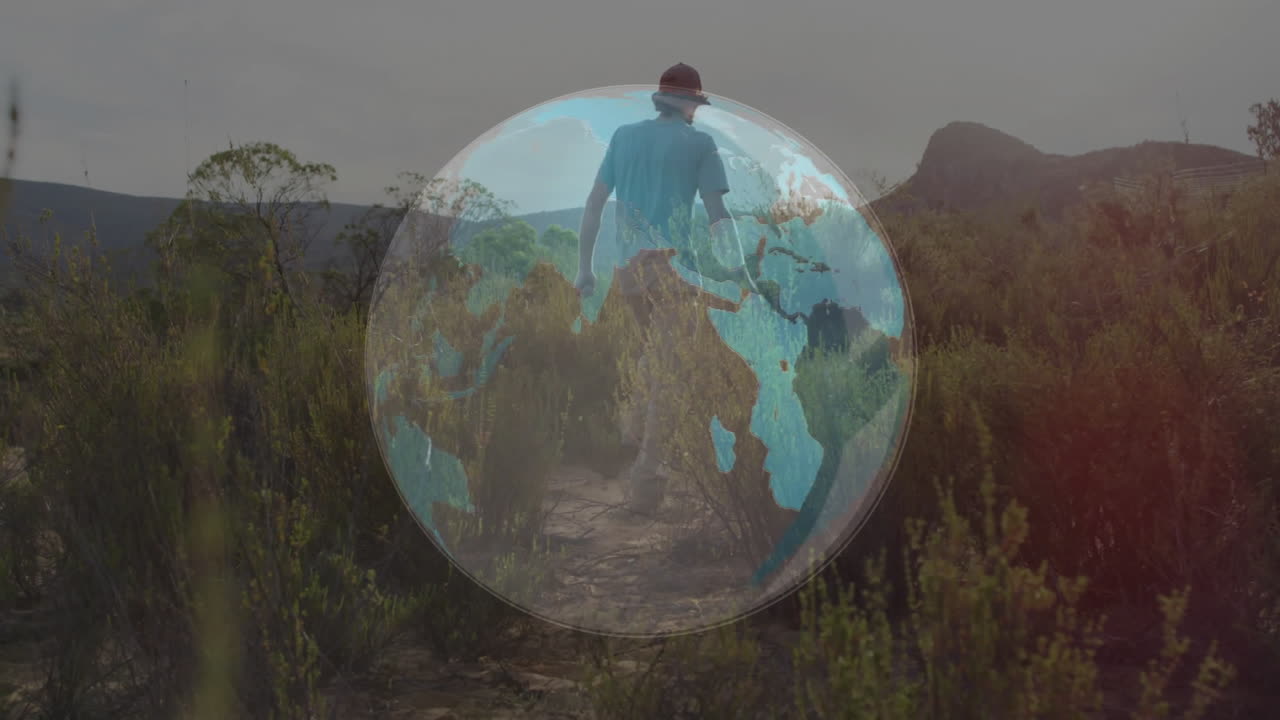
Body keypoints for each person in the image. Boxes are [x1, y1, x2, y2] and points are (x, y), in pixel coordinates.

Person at [574, 62, 754, 515]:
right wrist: (741, 275)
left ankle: (625, 439)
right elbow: (718, 217)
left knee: (653, 360)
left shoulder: (623, 137)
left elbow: (594, 204)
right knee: (670, 372)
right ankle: (647, 486)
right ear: (692, 103)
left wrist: (585, 269)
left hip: (628, 274)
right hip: (672, 271)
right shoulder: (700, 144)